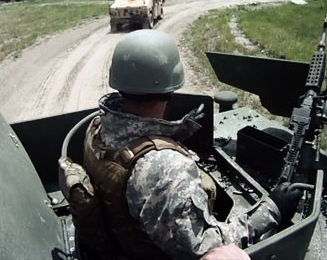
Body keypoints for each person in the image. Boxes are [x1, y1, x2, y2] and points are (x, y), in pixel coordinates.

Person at [81, 29, 300, 260]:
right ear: (171, 89)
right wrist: (271, 210)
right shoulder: (167, 168)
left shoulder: (98, 126)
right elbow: (206, 247)